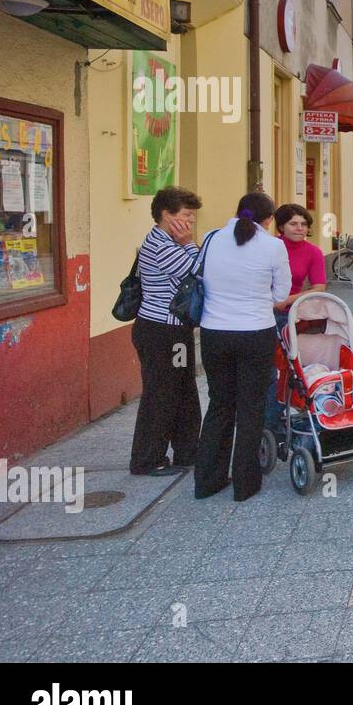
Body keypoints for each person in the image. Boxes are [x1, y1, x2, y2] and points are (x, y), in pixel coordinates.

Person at [195, 192, 290, 502]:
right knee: (251, 407)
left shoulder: (211, 239)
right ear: (269, 219)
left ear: (237, 212)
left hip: (214, 333)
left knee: (220, 404)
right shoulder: (274, 246)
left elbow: (198, 276)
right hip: (255, 333)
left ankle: (207, 480)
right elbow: (281, 294)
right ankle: (245, 484)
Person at [130, 186, 204, 476]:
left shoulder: (166, 242)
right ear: (166, 215)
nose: (191, 222)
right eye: (186, 216)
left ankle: (188, 450)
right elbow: (199, 271)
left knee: (183, 388)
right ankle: (148, 459)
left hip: (174, 330)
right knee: (162, 393)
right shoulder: (163, 245)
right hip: (163, 332)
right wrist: (189, 243)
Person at [264, 203, 327, 431]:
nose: (299, 228)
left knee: (292, 367)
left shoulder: (313, 252)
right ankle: (269, 423)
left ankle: (292, 412)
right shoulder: (271, 247)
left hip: (291, 315)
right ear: (281, 226)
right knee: (269, 369)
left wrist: (287, 300)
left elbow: (319, 286)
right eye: (293, 224)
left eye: (303, 224)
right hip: (262, 313)